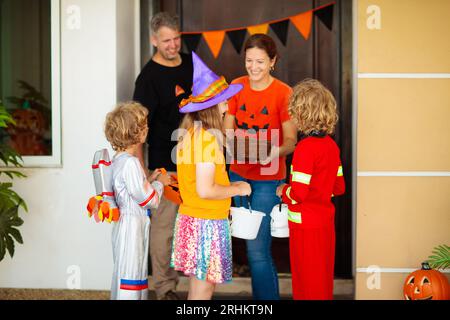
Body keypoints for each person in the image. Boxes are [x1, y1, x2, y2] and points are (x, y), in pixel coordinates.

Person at [171, 52, 251, 300]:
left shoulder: (191, 133)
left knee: (198, 285)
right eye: (224, 101)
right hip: (206, 221)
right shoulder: (207, 140)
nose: (228, 106)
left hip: (192, 219)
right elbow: (206, 189)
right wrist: (238, 189)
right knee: (204, 288)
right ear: (211, 106)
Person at [223, 34, 297, 300]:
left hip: (268, 178)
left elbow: (291, 140)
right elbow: (227, 129)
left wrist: (272, 153)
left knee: (257, 251)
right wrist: (231, 145)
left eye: (260, 62)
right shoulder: (236, 86)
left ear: (273, 61)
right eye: (249, 61)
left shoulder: (283, 92)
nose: (254, 67)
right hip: (238, 174)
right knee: (242, 237)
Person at [132, 12, 193, 300]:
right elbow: (137, 129)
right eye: (166, 40)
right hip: (165, 165)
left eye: (176, 38)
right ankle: (165, 288)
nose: (173, 45)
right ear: (154, 40)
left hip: (196, 161)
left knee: (194, 224)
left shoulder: (192, 61)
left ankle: (198, 286)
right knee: (165, 228)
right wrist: (143, 172)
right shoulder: (147, 80)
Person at [276, 79, 346, 300]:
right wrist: (319, 192)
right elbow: (339, 187)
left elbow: (298, 194)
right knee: (322, 279)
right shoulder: (331, 146)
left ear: (301, 114)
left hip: (304, 226)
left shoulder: (305, 148)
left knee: (305, 281)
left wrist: (282, 190)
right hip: (325, 223)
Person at [104, 102, 172, 300]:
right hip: (132, 226)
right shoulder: (132, 163)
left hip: (126, 222)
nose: (147, 129)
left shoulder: (119, 160)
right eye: (144, 126)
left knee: (126, 270)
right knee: (131, 273)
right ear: (137, 133)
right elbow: (147, 200)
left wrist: (149, 180)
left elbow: (131, 191)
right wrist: (160, 184)